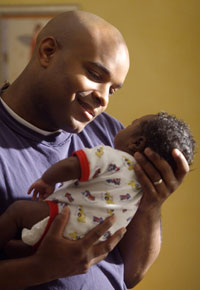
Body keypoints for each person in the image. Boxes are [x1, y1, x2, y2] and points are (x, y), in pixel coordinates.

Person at [0, 10, 189, 290]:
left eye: (112, 90)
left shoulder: (111, 134)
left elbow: (130, 275)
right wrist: (39, 269)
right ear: (47, 52)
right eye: (94, 74)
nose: (103, 98)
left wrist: (150, 206)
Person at [8, 112, 192, 248]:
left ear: (136, 143)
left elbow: (73, 166)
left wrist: (46, 180)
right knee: (24, 247)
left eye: (131, 124)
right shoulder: (143, 191)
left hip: (63, 220)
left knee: (18, 212)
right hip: (88, 242)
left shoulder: (113, 157)